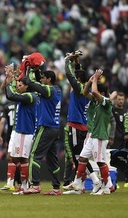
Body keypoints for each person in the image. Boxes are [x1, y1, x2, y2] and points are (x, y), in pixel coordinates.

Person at [70, 70, 113, 195]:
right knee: (82, 158)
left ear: (103, 93)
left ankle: (106, 187)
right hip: (93, 135)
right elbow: (85, 92)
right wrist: (90, 81)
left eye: (98, 93)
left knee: (100, 161)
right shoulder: (95, 102)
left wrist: (96, 79)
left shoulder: (106, 102)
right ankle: (77, 182)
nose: (94, 95)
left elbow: (94, 91)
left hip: (100, 136)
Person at [62, 52, 100, 194]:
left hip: (76, 125)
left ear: (78, 80)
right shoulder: (86, 90)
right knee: (80, 155)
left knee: (79, 157)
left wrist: (67, 61)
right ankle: (79, 185)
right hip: (83, 126)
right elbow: (78, 75)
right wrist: (77, 62)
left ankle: (95, 180)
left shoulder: (79, 89)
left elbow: (70, 75)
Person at [23, 68, 62, 195]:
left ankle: (35, 185)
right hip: (55, 128)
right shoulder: (57, 90)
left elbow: (30, 82)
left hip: (45, 127)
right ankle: (56, 188)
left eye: (43, 78)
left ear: (49, 79)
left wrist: (28, 68)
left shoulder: (48, 90)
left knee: (34, 155)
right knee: (52, 160)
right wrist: (37, 70)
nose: (41, 80)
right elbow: (37, 84)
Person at [4, 66, 38, 194]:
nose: (18, 87)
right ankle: (24, 184)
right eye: (17, 84)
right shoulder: (23, 95)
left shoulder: (30, 97)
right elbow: (10, 94)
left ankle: (24, 186)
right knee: (14, 158)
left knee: (23, 159)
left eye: (20, 85)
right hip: (19, 131)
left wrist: (9, 81)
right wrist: (12, 78)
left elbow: (11, 95)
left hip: (26, 132)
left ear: (27, 86)